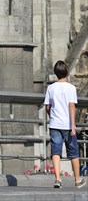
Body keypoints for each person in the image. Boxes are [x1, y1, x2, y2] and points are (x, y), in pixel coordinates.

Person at [44, 60, 86, 189]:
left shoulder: (51, 88)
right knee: (73, 153)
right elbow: (72, 106)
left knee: (55, 152)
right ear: (66, 73)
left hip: (55, 124)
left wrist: (52, 116)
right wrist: (73, 125)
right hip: (67, 125)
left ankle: (58, 179)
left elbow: (47, 106)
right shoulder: (71, 88)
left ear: (56, 73)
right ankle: (77, 180)